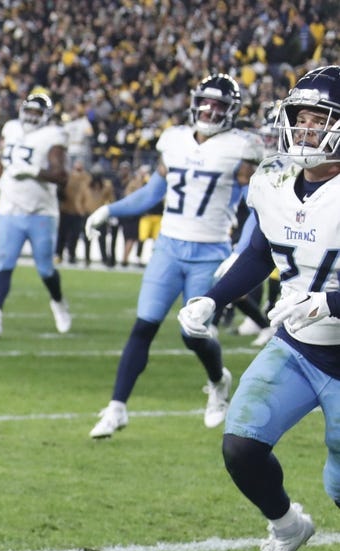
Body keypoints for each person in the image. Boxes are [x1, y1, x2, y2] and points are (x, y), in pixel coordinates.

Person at [176, 66, 340, 551]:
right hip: (297, 345)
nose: (308, 129)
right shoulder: (269, 180)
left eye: (321, 119)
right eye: (301, 117)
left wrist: (330, 304)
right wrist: (212, 297)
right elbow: (259, 253)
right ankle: (287, 526)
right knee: (241, 446)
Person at [84, 73, 263, 438]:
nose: (210, 111)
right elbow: (152, 193)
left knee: (191, 332)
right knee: (144, 325)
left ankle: (218, 383)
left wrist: (241, 251)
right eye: (206, 102)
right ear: (195, 101)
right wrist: (110, 210)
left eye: (219, 105)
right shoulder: (174, 140)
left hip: (209, 250)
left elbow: (257, 207)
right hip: (168, 246)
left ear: (232, 111)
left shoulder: (241, 146)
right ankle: (117, 407)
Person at [0, 88, 71, 337]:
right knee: (3, 264)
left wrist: (33, 171)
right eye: (29, 110)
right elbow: (4, 160)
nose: (31, 116)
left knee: (45, 269)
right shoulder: (11, 128)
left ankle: (58, 303)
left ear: (46, 115)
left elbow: (62, 176)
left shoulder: (53, 135)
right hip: (9, 208)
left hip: (41, 212)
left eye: (37, 112)